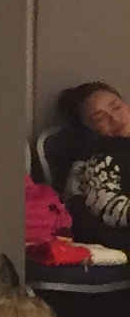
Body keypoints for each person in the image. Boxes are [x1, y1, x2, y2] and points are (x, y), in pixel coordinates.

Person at [51, 81, 130, 233]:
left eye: (116, 107)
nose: (114, 118)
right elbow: (110, 208)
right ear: (86, 129)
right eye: (99, 118)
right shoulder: (95, 161)